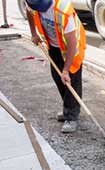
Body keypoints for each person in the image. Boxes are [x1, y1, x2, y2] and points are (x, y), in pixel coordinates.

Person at [25, 0, 86, 133]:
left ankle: (72, 117)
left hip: (72, 48)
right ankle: (68, 109)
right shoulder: (32, 2)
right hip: (54, 45)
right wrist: (33, 33)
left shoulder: (64, 10)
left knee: (71, 81)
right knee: (57, 77)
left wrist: (66, 70)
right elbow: (29, 11)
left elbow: (72, 42)